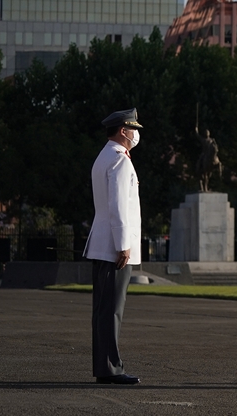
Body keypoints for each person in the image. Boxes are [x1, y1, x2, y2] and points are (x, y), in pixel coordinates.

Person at [84, 108, 145, 385]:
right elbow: (119, 206)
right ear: (123, 131)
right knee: (111, 311)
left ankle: (105, 366)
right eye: (134, 129)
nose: (136, 134)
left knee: (104, 310)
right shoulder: (119, 161)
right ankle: (111, 369)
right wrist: (124, 246)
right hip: (114, 247)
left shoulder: (105, 157)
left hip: (102, 244)